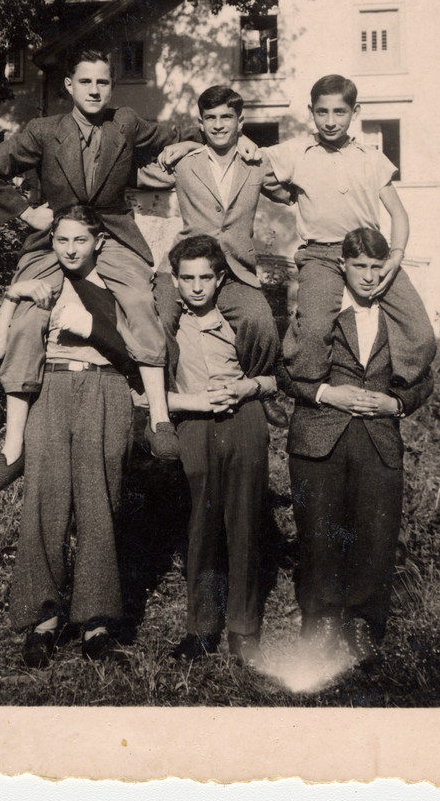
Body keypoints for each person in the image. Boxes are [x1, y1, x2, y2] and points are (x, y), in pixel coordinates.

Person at [0, 46, 203, 485]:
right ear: (69, 85)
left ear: (110, 87)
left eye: (103, 82)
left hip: (112, 235)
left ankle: (159, 420)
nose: (96, 90)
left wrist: (195, 143)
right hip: (54, 238)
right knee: (28, 316)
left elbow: (176, 136)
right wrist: (25, 211)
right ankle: (13, 449)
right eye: (87, 82)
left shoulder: (125, 123)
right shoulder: (42, 131)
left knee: (137, 299)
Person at [0, 205, 139, 668]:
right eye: (62, 240)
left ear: (98, 241)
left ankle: (96, 624)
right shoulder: (42, 284)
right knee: (44, 503)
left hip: (106, 388)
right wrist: (13, 296)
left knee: (101, 503)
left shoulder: (120, 283)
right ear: (52, 241)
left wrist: (96, 328)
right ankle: (43, 622)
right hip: (51, 389)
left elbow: (146, 349)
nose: (70, 249)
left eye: (80, 240)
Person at [281, 227, 434, 665]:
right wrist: (328, 393)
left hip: (379, 441)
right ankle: (322, 623)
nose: (368, 277)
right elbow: (286, 372)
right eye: (360, 267)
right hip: (318, 437)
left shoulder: (399, 318)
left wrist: (396, 402)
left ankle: (364, 625)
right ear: (342, 266)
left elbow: (426, 378)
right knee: (319, 534)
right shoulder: (317, 313)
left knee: (375, 537)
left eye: (376, 267)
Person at [264, 73, 436, 390]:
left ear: (354, 112)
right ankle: (309, 390)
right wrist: (285, 192)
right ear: (311, 110)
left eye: (339, 112)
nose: (330, 121)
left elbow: (399, 213)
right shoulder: (296, 151)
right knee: (314, 330)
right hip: (321, 255)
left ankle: (390, 389)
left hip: (370, 253)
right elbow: (252, 164)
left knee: (420, 333)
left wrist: (395, 257)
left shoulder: (371, 158)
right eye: (322, 112)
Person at [165, 235, 276, 669]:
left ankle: (244, 631)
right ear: (174, 280)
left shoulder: (241, 320)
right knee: (201, 526)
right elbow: (146, 392)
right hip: (194, 427)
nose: (196, 287)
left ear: (220, 278)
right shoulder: (167, 327)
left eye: (205, 278)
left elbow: (272, 379)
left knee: (245, 524)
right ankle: (201, 630)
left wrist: (248, 385)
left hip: (243, 421)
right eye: (187, 278)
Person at [153, 84, 290, 388]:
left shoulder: (257, 162)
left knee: (261, 322)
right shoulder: (183, 162)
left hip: (234, 270)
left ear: (240, 122)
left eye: (226, 117)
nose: (218, 125)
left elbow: (292, 190)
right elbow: (134, 167)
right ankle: (167, 394)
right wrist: (187, 144)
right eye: (210, 118)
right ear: (200, 123)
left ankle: (259, 388)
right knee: (160, 318)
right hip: (183, 268)